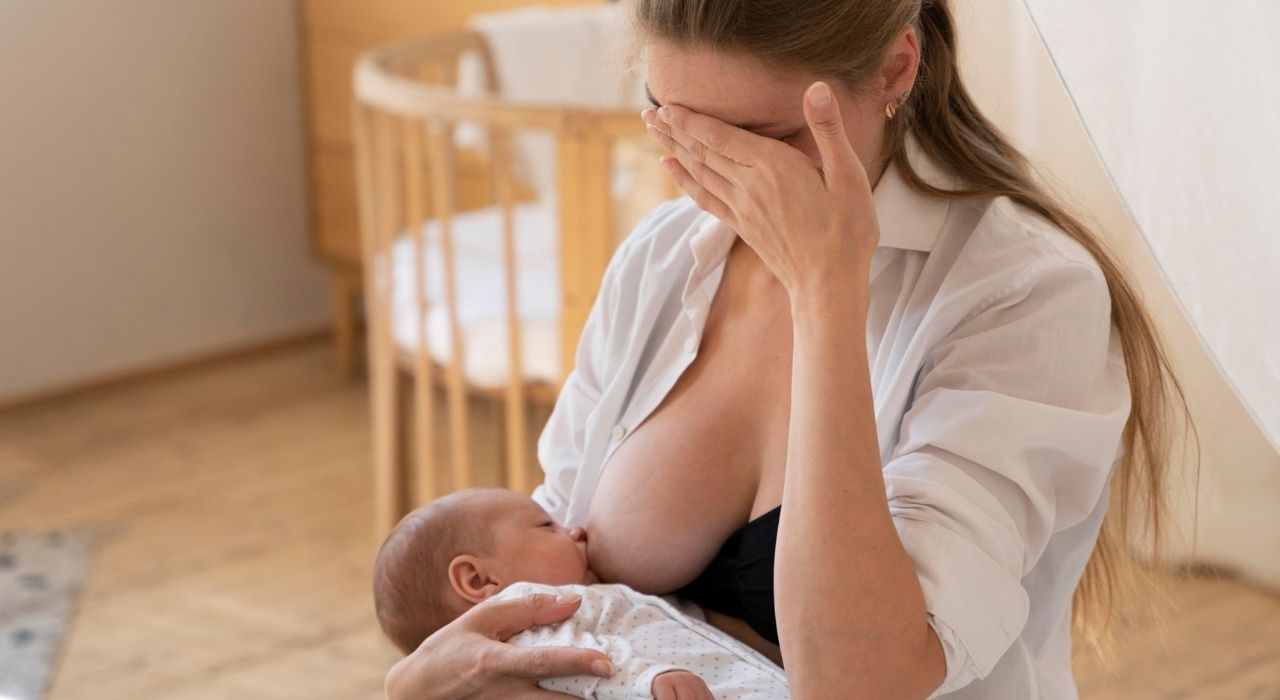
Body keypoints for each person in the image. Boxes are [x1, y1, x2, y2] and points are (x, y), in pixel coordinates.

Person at [384, 0, 1194, 698]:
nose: (710, 173)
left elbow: (860, 684)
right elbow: (550, 603)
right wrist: (416, 681)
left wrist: (826, 294)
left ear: (895, 68)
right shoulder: (666, 255)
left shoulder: (1025, 296)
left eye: (758, 138)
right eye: (672, 118)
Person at [372, 488, 789, 699]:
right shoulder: (522, 623)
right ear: (480, 582)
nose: (575, 529)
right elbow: (582, 661)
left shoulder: (575, 602)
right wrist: (647, 681)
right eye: (546, 526)